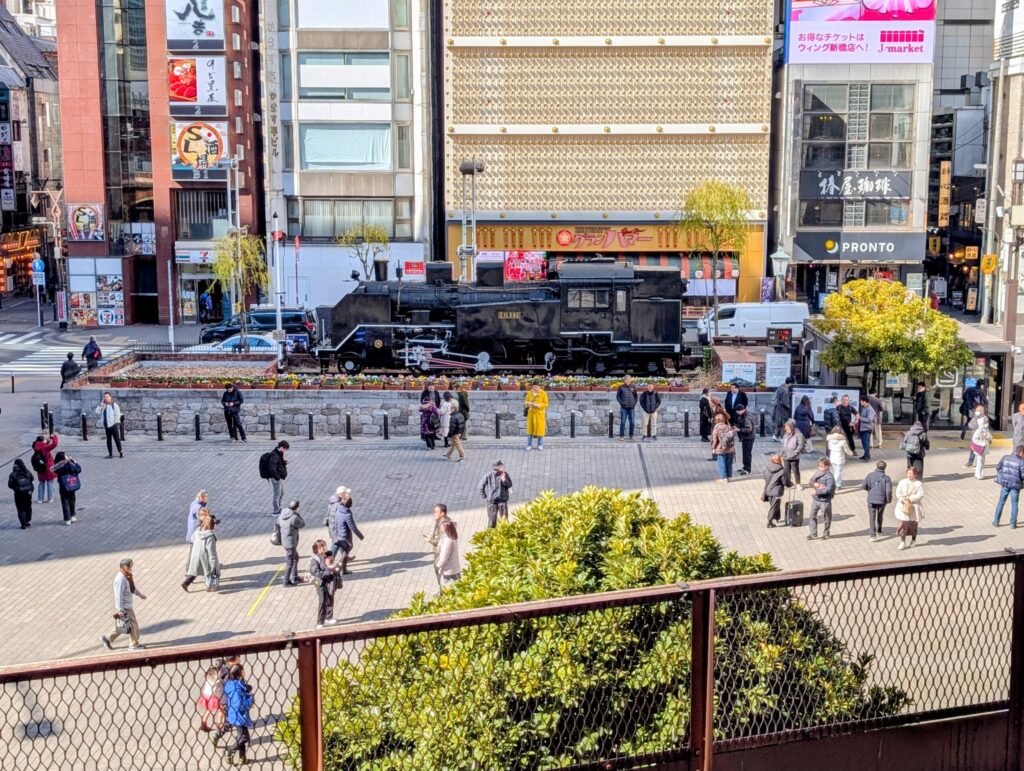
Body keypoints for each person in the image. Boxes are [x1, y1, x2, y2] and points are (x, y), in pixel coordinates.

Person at [99, 557, 146, 651]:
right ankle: (133, 644)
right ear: (124, 567)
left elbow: (132, 588)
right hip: (125, 607)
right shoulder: (120, 579)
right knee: (134, 625)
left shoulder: (126, 576)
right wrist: (120, 610)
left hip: (126, 606)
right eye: (130, 567)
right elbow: (118, 595)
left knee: (124, 625)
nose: (131, 568)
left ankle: (107, 638)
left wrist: (140, 595)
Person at [222, 664, 255, 766]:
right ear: (239, 673)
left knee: (243, 737)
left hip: (239, 716)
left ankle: (242, 758)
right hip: (238, 716)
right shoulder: (236, 688)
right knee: (243, 738)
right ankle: (230, 751)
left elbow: (241, 688)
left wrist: (246, 688)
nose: (244, 672)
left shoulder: (234, 684)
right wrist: (250, 700)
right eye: (242, 670)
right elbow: (239, 704)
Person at [183, 509, 220, 592]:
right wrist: (214, 565)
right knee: (208, 571)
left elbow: (192, 539)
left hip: (195, 554)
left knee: (196, 570)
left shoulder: (197, 531)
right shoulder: (210, 536)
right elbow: (212, 553)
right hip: (205, 556)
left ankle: (186, 583)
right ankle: (209, 586)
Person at [308, 539, 341, 628]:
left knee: (330, 597)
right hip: (318, 581)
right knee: (322, 600)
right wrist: (329, 572)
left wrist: (333, 565)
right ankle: (320, 622)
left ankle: (329, 617)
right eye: (321, 546)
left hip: (328, 580)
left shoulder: (327, 555)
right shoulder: (314, 560)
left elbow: (331, 564)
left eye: (324, 545)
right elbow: (317, 573)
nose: (324, 548)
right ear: (317, 549)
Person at [330, 490, 363, 575]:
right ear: (350, 505)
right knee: (345, 552)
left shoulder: (338, 509)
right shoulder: (347, 514)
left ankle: (343, 569)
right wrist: (361, 536)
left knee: (344, 551)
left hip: (338, 534)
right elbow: (353, 527)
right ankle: (340, 569)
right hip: (345, 536)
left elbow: (336, 522)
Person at [894, 467, 925, 550]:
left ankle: (913, 540)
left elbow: (921, 494)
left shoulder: (918, 484)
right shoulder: (902, 482)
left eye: (911, 474)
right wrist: (902, 499)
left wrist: (910, 499)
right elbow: (898, 492)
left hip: (914, 508)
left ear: (915, 475)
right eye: (908, 473)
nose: (910, 475)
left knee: (913, 525)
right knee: (903, 524)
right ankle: (902, 542)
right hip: (903, 506)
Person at [806, 458, 836, 541]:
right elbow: (811, 481)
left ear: (827, 466)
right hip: (815, 500)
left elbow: (829, 490)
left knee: (826, 518)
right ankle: (813, 534)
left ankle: (826, 533)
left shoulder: (830, 477)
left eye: (822, 466)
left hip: (825, 501)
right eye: (819, 466)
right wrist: (815, 484)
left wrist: (817, 491)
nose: (820, 468)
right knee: (812, 516)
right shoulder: (818, 473)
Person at [424, 503, 453, 588]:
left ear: (442, 513)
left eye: (436, 512)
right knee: (438, 572)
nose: (434, 514)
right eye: (434, 512)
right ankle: (441, 590)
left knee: (441, 572)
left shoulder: (444, 525)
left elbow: (442, 542)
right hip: (438, 551)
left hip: (441, 552)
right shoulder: (439, 521)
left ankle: (443, 592)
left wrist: (430, 540)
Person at [862, 460, 893, 541]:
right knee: (880, 515)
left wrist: (869, 490)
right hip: (882, 500)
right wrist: (888, 499)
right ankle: (879, 530)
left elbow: (863, 486)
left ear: (876, 466)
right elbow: (888, 491)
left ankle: (872, 535)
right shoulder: (886, 478)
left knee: (872, 516)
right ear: (885, 467)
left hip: (871, 499)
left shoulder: (870, 475)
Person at [995, 445, 1024, 528]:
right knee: (1014, 504)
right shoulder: (1022, 462)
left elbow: (998, 467)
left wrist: (1001, 479)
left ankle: (996, 521)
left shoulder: (1005, 457)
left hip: (1004, 484)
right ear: (1021, 452)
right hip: (1015, 487)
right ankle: (1013, 524)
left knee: (1001, 502)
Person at [278, 500, 305, 586]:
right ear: (296, 508)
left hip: (284, 540)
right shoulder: (294, 518)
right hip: (290, 543)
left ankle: (295, 577)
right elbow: (302, 524)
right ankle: (286, 581)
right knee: (290, 562)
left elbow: (278, 523)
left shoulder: (283, 513)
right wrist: (297, 514)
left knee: (295, 558)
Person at [52, 451, 82, 526]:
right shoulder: (69, 464)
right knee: (72, 500)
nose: (67, 456)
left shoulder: (57, 466)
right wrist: (74, 461)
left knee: (65, 502)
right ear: (63, 457)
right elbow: (78, 469)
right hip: (71, 484)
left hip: (63, 486)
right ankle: (73, 516)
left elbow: (52, 469)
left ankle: (67, 519)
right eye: (65, 455)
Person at [479, 460, 513, 528]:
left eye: (503, 465)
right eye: (501, 466)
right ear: (497, 467)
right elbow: (480, 486)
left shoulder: (505, 474)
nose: (503, 467)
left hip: (502, 501)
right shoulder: (489, 475)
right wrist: (485, 497)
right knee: (492, 521)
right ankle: (490, 536)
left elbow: (510, 484)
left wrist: (504, 480)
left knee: (504, 520)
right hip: (492, 502)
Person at [196, 665, 224, 735]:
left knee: (209, 709)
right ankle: (219, 724)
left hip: (206, 694)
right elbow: (218, 688)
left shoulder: (208, 678)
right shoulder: (217, 681)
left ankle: (203, 723)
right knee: (222, 709)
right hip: (214, 696)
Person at [31, 433, 58, 504]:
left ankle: (40, 499)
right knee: (49, 482)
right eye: (44, 439)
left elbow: (44, 447)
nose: (46, 439)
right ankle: (50, 498)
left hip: (40, 468)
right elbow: (54, 444)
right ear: (42, 441)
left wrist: (48, 441)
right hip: (47, 467)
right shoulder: (44, 448)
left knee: (41, 483)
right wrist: (54, 437)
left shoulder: (36, 446)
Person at [761, 454, 787, 528]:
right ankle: (770, 521)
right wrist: (790, 484)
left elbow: (764, 477)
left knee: (775, 505)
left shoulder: (767, 468)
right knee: (774, 506)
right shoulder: (782, 471)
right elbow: (785, 482)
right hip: (776, 491)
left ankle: (777, 517)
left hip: (768, 490)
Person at [95, 392, 123, 459]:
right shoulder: (104, 406)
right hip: (106, 425)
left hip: (113, 425)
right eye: (105, 397)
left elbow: (117, 415)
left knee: (117, 439)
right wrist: (101, 406)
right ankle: (110, 454)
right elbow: (97, 412)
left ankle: (121, 452)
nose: (106, 398)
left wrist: (116, 424)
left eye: (107, 396)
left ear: (110, 397)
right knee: (108, 440)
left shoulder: (114, 405)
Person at [435, 518, 462, 589]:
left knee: (447, 588)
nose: (440, 527)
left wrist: (437, 566)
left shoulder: (448, 540)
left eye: (441, 526)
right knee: (458, 585)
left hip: (448, 570)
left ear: (445, 528)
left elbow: (444, 557)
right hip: (455, 567)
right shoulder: (453, 534)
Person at [710, 413, 736, 484]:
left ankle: (723, 478)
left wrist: (713, 448)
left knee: (722, 463)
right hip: (730, 448)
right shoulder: (728, 426)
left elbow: (715, 440)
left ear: (717, 420)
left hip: (721, 449)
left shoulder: (716, 428)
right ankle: (729, 477)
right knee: (729, 463)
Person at [8, 458, 34, 529]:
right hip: (28, 492)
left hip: (19, 493)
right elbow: (32, 479)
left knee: (20, 508)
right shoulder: (27, 471)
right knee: (28, 507)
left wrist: (15, 487)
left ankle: (23, 524)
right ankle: (28, 521)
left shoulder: (13, 474)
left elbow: (10, 485)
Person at [265, 440, 289, 517]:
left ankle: (279, 508)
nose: (286, 451)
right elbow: (272, 469)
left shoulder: (279, 453)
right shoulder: (274, 455)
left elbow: (279, 463)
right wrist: (278, 478)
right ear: (282, 447)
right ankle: (275, 511)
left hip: (280, 477)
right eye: (285, 449)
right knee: (277, 494)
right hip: (276, 478)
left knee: (281, 493)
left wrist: (284, 462)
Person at [524, 382, 548, 451]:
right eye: (534, 387)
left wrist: (538, 405)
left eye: (536, 387)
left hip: (539, 414)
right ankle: (529, 445)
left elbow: (546, 404)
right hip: (531, 414)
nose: (535, 388)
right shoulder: (529, 393)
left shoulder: (543, 393)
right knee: (529, 430)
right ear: (532, 387)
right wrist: (528, 403)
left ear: (539, 387)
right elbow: (525, 401)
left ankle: (540, 444)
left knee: (540, 430)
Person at [781, 419, 804, 489]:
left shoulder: (798, 434)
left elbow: (800, 445)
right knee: (786, 471)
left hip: (794, 457)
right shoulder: (785, 435)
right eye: (785, 427)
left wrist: (795, 453)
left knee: (795, 471)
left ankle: (798, 484)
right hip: (786, 456)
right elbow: (782, 445)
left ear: (791, 427)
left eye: (787, 427)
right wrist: (781, 453)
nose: (786, 428)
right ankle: (788, 483)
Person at [969, 410, 993, 480]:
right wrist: (982, 444)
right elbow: (974, 439)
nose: (986, 424)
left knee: (982, 462)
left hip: (984, 448)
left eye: (987, 422)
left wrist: (988, 436)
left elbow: (991, 437)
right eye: (985, 422)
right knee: (980, 462)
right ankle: (979, 474)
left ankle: (979, 474)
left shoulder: (986, 430)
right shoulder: (979, 430)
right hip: (980, 448)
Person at [735, 403, 756, 476]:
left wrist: (739, 430)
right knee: (745, 453)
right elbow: (739, 424)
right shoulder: (742, 415)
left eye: (737, 411)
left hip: (749, 437)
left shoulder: (747, 417)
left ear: (741, 410)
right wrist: (736, 427)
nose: (736, 412)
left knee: (747, 453)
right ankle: (745, 467)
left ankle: (748, 469)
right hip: (745, 437)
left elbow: (748, 429)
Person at [616, 374, 638, 440]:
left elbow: (636, 396)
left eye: (629, 379)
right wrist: (622, 403)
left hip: (631, 408)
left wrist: (634, 404)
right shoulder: (621, 386)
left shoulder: (633, 386)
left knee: (632, 422)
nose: (627, 381)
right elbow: (618, 396)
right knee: (623, 422)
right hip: (624, 408)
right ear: (624, 380)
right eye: (626, 380)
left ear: (631, 380)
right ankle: (621, 436)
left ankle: (631, 435)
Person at [857, 396, 876, 461]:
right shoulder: (865, 407)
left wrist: (860, 418)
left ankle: (867, 457)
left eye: (861, 401)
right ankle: (865, 455)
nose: (860, 402)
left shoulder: (870, 409)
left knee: (866, 443)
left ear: (864, 401)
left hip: (867, 429)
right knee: (864, 442)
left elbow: (869, 419)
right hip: (863, 428)